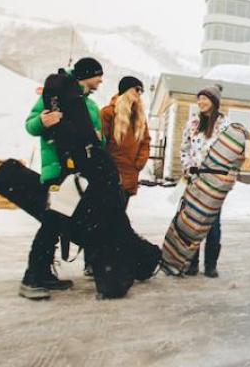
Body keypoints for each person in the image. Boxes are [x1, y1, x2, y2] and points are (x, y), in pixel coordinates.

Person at [20, 57, 104, 299]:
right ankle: (32, 277)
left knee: (59, 224)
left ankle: (44, 274)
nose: (101, 80)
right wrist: (43, 121)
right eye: (98, 75)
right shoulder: (54, 93)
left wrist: (99, 137)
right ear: (86, 74)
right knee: (52, 222)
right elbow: (30, 125)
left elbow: (98, 143)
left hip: (78, 173)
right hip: (57, 170)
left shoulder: (91, 107)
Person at [180, 84, 228, 278]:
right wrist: (188, 166)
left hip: (215, 181)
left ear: (214, 102)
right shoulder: (192, 123)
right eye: (199, 98)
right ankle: (192, 262)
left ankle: (210, 264)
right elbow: (184, 149)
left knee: (212, 223)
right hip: (194, 179)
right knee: (193, 222)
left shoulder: (225, 125)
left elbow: (231, 153)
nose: (200, 102)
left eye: (205, 99)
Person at [100, 76, 151, 209]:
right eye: (137, 89)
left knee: (119, 215)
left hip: (130, 173)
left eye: (141, 91)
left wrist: (139, 162)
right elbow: (100, 142)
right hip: (110, 172)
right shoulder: (108, 112)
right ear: (126, 90)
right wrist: (106, 165)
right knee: (105, 217)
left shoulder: (140, 117)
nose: (139, 93)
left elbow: (146, 141)